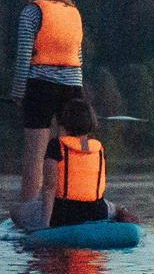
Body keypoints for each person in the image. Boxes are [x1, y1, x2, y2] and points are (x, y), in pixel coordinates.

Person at [12, 0, 86, 210]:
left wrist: (18, 94)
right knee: (70, 152)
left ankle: (29, 209)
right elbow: (78, 57)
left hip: (40, 87)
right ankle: (72, 204)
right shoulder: (73, 12)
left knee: (35, 155)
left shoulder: (31, 12)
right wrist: (79, 100)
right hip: (73, 88)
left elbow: (23, 57)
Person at [12, 96, 139, 231]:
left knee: (15, 211)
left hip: (63, 214)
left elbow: (49, 186)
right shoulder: (98, 149)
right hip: (97, 212)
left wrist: (45, 223)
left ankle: (29, 228)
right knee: (113, 208)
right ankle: (121, 216)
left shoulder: (56, 146)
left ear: (64, 123)